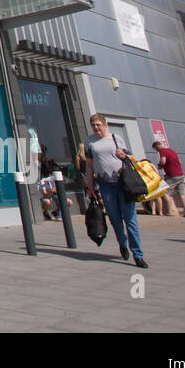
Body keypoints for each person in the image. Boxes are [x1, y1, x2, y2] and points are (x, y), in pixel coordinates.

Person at [83, 114, 145, 268]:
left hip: (122, 183)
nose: (96, 128)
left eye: (98, 124)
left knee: (130, 219)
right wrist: (90, 186)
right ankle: (122, 243)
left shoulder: (116, 139)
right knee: (115, 219)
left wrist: (124, 156)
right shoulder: (90, 142)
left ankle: (137, 254)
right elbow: (89, 166)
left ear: (105, 125)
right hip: (105, 185)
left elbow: (128, 158)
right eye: (94, 125)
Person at [153, 140, 185, 218]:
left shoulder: (162, 151)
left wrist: (159, 165)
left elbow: (163, 161)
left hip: (172, 175)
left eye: (155, 149)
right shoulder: (172, 151)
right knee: (182, 195)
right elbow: (180, 162)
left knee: (165, 192)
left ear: (157, 146)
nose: (156, 150)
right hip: (181, 174)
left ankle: (170, 211)